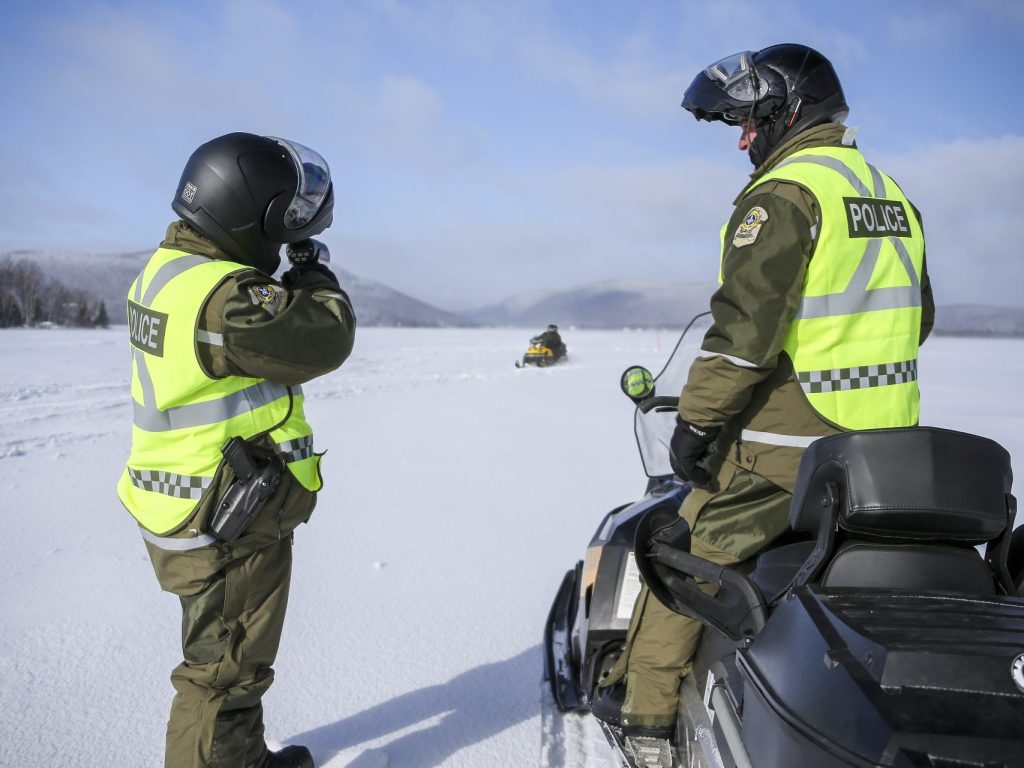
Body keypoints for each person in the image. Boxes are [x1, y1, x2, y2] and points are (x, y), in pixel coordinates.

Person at [594, 44, 934, 751]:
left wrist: (698, 421)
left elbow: (743, 335)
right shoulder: (889, 193)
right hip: (889, 449)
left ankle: (647, 722)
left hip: (791, 450)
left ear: (791, 113)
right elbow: (917, 318)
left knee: (681, 550)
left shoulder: (785, 196)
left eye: (751, 122)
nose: (744, 139)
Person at [117, 132, 356, 768]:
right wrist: (313, 273)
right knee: (221, 676)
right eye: (279, 226)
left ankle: (242, 758)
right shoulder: (224, 299)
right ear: (248, 213)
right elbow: (324, 337)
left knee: (236, 663)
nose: (280, 241)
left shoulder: (167, 271)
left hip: (186, 499)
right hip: (225, 522)